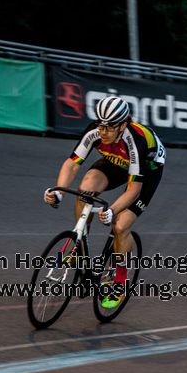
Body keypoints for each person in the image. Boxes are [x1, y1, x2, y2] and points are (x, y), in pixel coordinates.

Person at [44, 95, 166, 309]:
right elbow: (72, 164)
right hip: (116, 162)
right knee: (85, 189)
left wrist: (112, 210)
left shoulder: (135, 140)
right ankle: (78, 246)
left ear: (123, 125)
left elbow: (134, 189)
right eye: (101, 125)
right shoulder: (96, 130)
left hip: (146, 172)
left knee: (120, 225)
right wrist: (59, 191)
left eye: (110, 127)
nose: (103, 132)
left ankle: (120, 279)